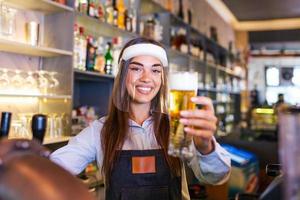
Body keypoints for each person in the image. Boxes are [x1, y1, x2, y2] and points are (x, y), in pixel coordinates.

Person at [51, 37, 231, 200]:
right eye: (136, 68)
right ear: (122, 75)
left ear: (162, 79)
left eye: (155, 70)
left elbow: (216, 177)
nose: (146, 78)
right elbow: (53, 169)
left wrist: (205, 146)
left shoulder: (178, 127)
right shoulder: (100, 130)